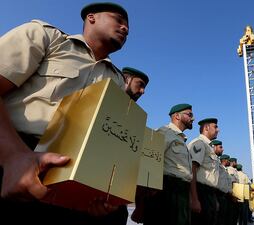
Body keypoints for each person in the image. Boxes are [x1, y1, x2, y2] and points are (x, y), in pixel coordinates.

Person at [0, 2, 130, 224]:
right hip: (15, 151)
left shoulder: (117, 80)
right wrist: (12, 155)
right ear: (91, 17)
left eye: (127, 26)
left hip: (75, 169)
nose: (125, 28)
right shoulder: (47, 38)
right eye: (118, 19)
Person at [132, 104, 194, 225]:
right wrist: (140, 204)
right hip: (167, 192)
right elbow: (147, 163)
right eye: (190, 114)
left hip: (181, 192)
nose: (193, 118)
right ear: (177, 116)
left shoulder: (181, 139)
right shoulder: (164, 132)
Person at [188, 118, 220, 225]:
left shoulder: (209, 147)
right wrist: (194, 199)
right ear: (206, 128)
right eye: (215, 127)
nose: (218, 130)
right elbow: (192, 170)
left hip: (209, 193)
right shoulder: (199, 143)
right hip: (201, 192)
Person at [212, 141, 231, 225]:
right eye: (220, 147)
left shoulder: (222, 167)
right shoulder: (216, 163)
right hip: (217, 194)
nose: (223, 149)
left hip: (223, 195)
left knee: (222, 219)